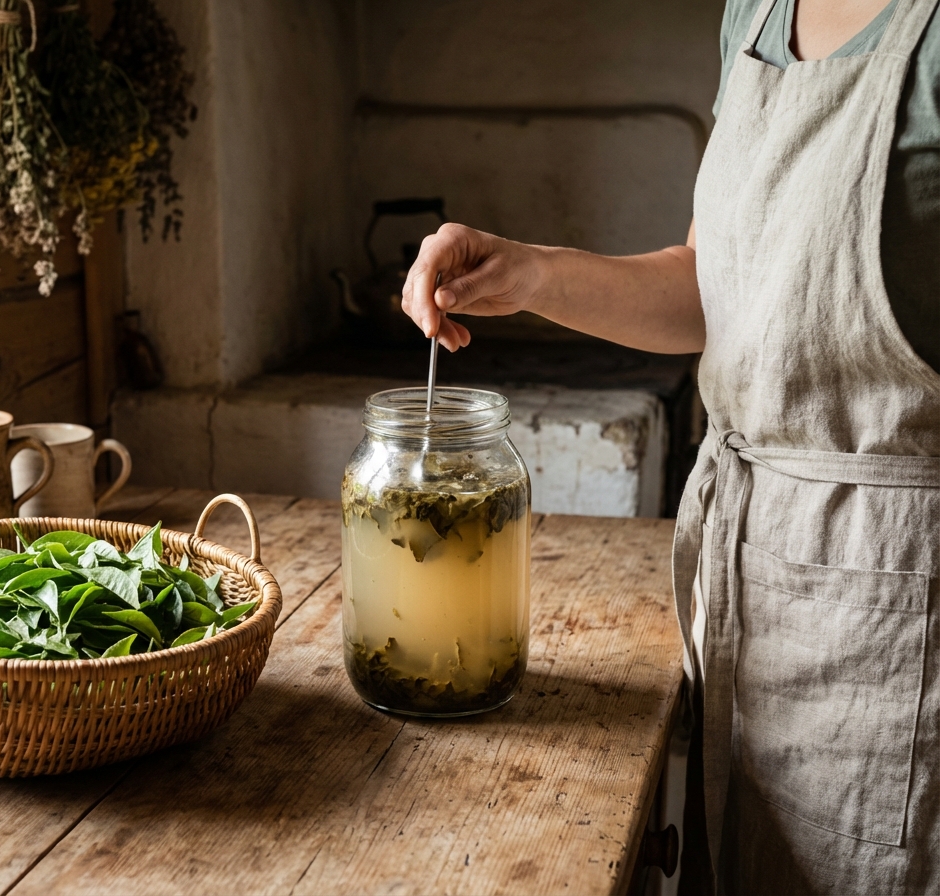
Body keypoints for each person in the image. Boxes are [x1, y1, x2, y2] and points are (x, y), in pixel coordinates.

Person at [400, 0, 940, 892]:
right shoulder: (755, 13)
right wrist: (528, 272)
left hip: (897, 618)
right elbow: (713, 289)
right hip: (746, 598)